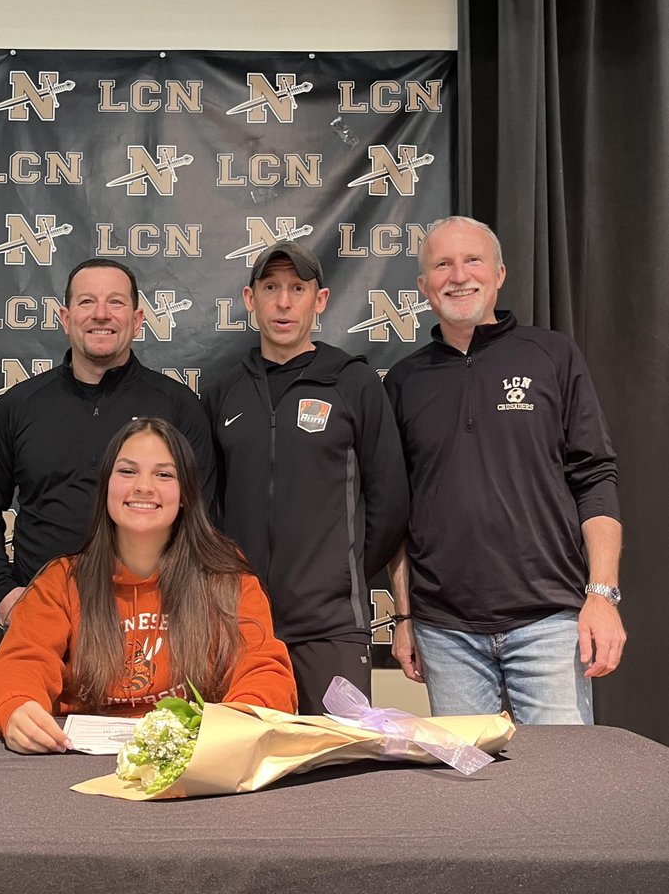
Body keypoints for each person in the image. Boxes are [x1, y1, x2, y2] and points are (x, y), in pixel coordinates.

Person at [384, 215, 625, 723]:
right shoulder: (405, 381)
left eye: (472, 260)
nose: (458, 275)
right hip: (445, 632)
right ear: (424, 286)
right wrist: (404, 616)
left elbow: (595, 478)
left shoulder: (552, 355)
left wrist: (601, 596)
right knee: (470, 798)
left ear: (499, 273)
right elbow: (395, 514)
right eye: (442, 265)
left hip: (551, 624)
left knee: (562, 789)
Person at [0, 417, 297, 752]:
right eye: (127, 472)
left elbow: (264, 669)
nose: (143, 486)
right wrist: (16, 707)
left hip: (192, 761)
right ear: (106, 488)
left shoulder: (226, 577)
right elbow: (17, 664)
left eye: (164, 474)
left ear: (186, 493)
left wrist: (238, 722)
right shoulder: (62, 580)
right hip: (74, 762)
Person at [203, 240, 409, 713]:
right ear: (249, 299)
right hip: (242, 625)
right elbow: (207, 510)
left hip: (332, 626)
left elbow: (390, 498)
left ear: (320, 301)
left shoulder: (353, 383)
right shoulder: (222, 393)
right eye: (270, 287)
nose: (283, 302)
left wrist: (343, 570)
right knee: (246, 767)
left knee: (337, 771)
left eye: (297, 289)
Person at [0, 257, 216, 627]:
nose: (101, 314)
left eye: (115, 302)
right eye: (86, 302)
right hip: (44, 618)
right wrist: (4, 592)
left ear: (137, 319)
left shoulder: (177, 407)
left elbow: (203, 517)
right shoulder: (19, 406)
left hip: (150, 621)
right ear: (65, 318)